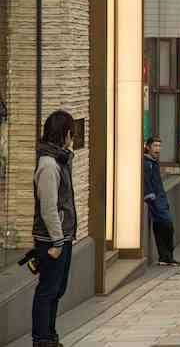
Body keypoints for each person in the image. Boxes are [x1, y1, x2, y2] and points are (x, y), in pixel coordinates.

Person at [31, 110, 77, 347]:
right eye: (72, 132)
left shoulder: (59, 159)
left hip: (62, 236)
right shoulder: (49, 164)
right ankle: (42, 339)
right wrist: (58, 242)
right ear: (65, 133)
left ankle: (49, 335)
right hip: (51, 239)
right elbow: (49, 207)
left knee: (57, 289)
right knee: (48, 290)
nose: (73, 138)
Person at [143, 137, 180, 266]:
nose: (158, 149)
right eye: (155, 146)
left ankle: (165, 257)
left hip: (161, 199)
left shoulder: (154, 162)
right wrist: (150, 196)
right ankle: (167, 256)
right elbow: (146, 182)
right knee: (167, 226)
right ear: (148, 147)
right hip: (155, 200)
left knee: (160, 228)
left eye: (159, 146)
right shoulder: (147, 163)